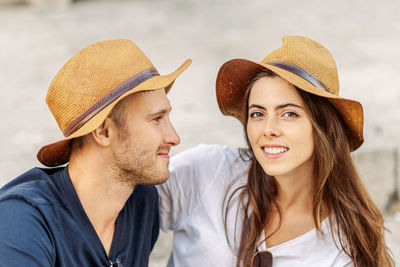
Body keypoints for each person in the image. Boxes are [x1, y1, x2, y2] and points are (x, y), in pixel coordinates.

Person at [157, 36, 394, 266]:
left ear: (327, 127)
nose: (268, 130)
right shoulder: (207, 172)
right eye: (258, 114)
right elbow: (126, 209)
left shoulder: (342, 253)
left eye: (288, 113)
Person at [0, 39, 191, 266]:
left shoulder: (142, 200)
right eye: (157, 119)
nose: (174, 138)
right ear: (104, 132)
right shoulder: (21, 221)